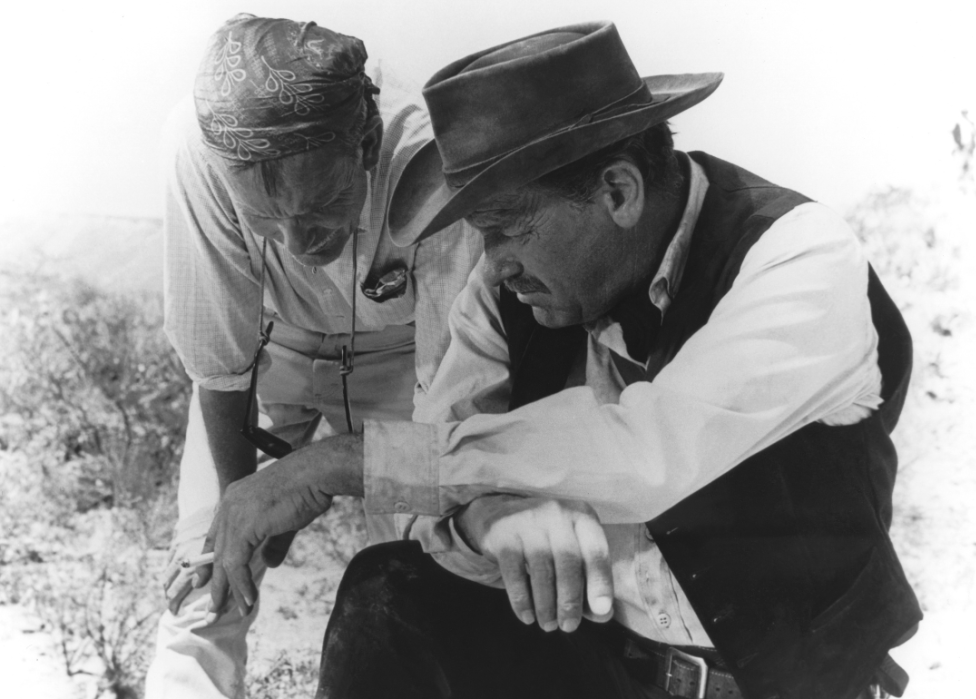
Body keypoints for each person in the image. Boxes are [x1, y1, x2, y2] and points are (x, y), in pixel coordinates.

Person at [203, 22, 922, 699]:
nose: (495, 264)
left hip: (793, 682)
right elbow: (436, 476)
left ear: (618, 191)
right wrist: (491, 513)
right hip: (597, 668)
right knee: (388, 591)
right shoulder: (504, 293)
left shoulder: (798, 255)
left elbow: (652, 453)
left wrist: (338, 464)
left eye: (508, 230)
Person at [144, 14, 481, 699]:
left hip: (411, 366)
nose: (298, 244)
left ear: (367, 140)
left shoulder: (435, 159)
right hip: (274, 357)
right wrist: (236, 521)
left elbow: (453, 443)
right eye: (267, 221)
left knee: (420, 570)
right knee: (204, 581)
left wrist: (316, 475)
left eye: (323, 204)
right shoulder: (197, 144)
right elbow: (221, 366)